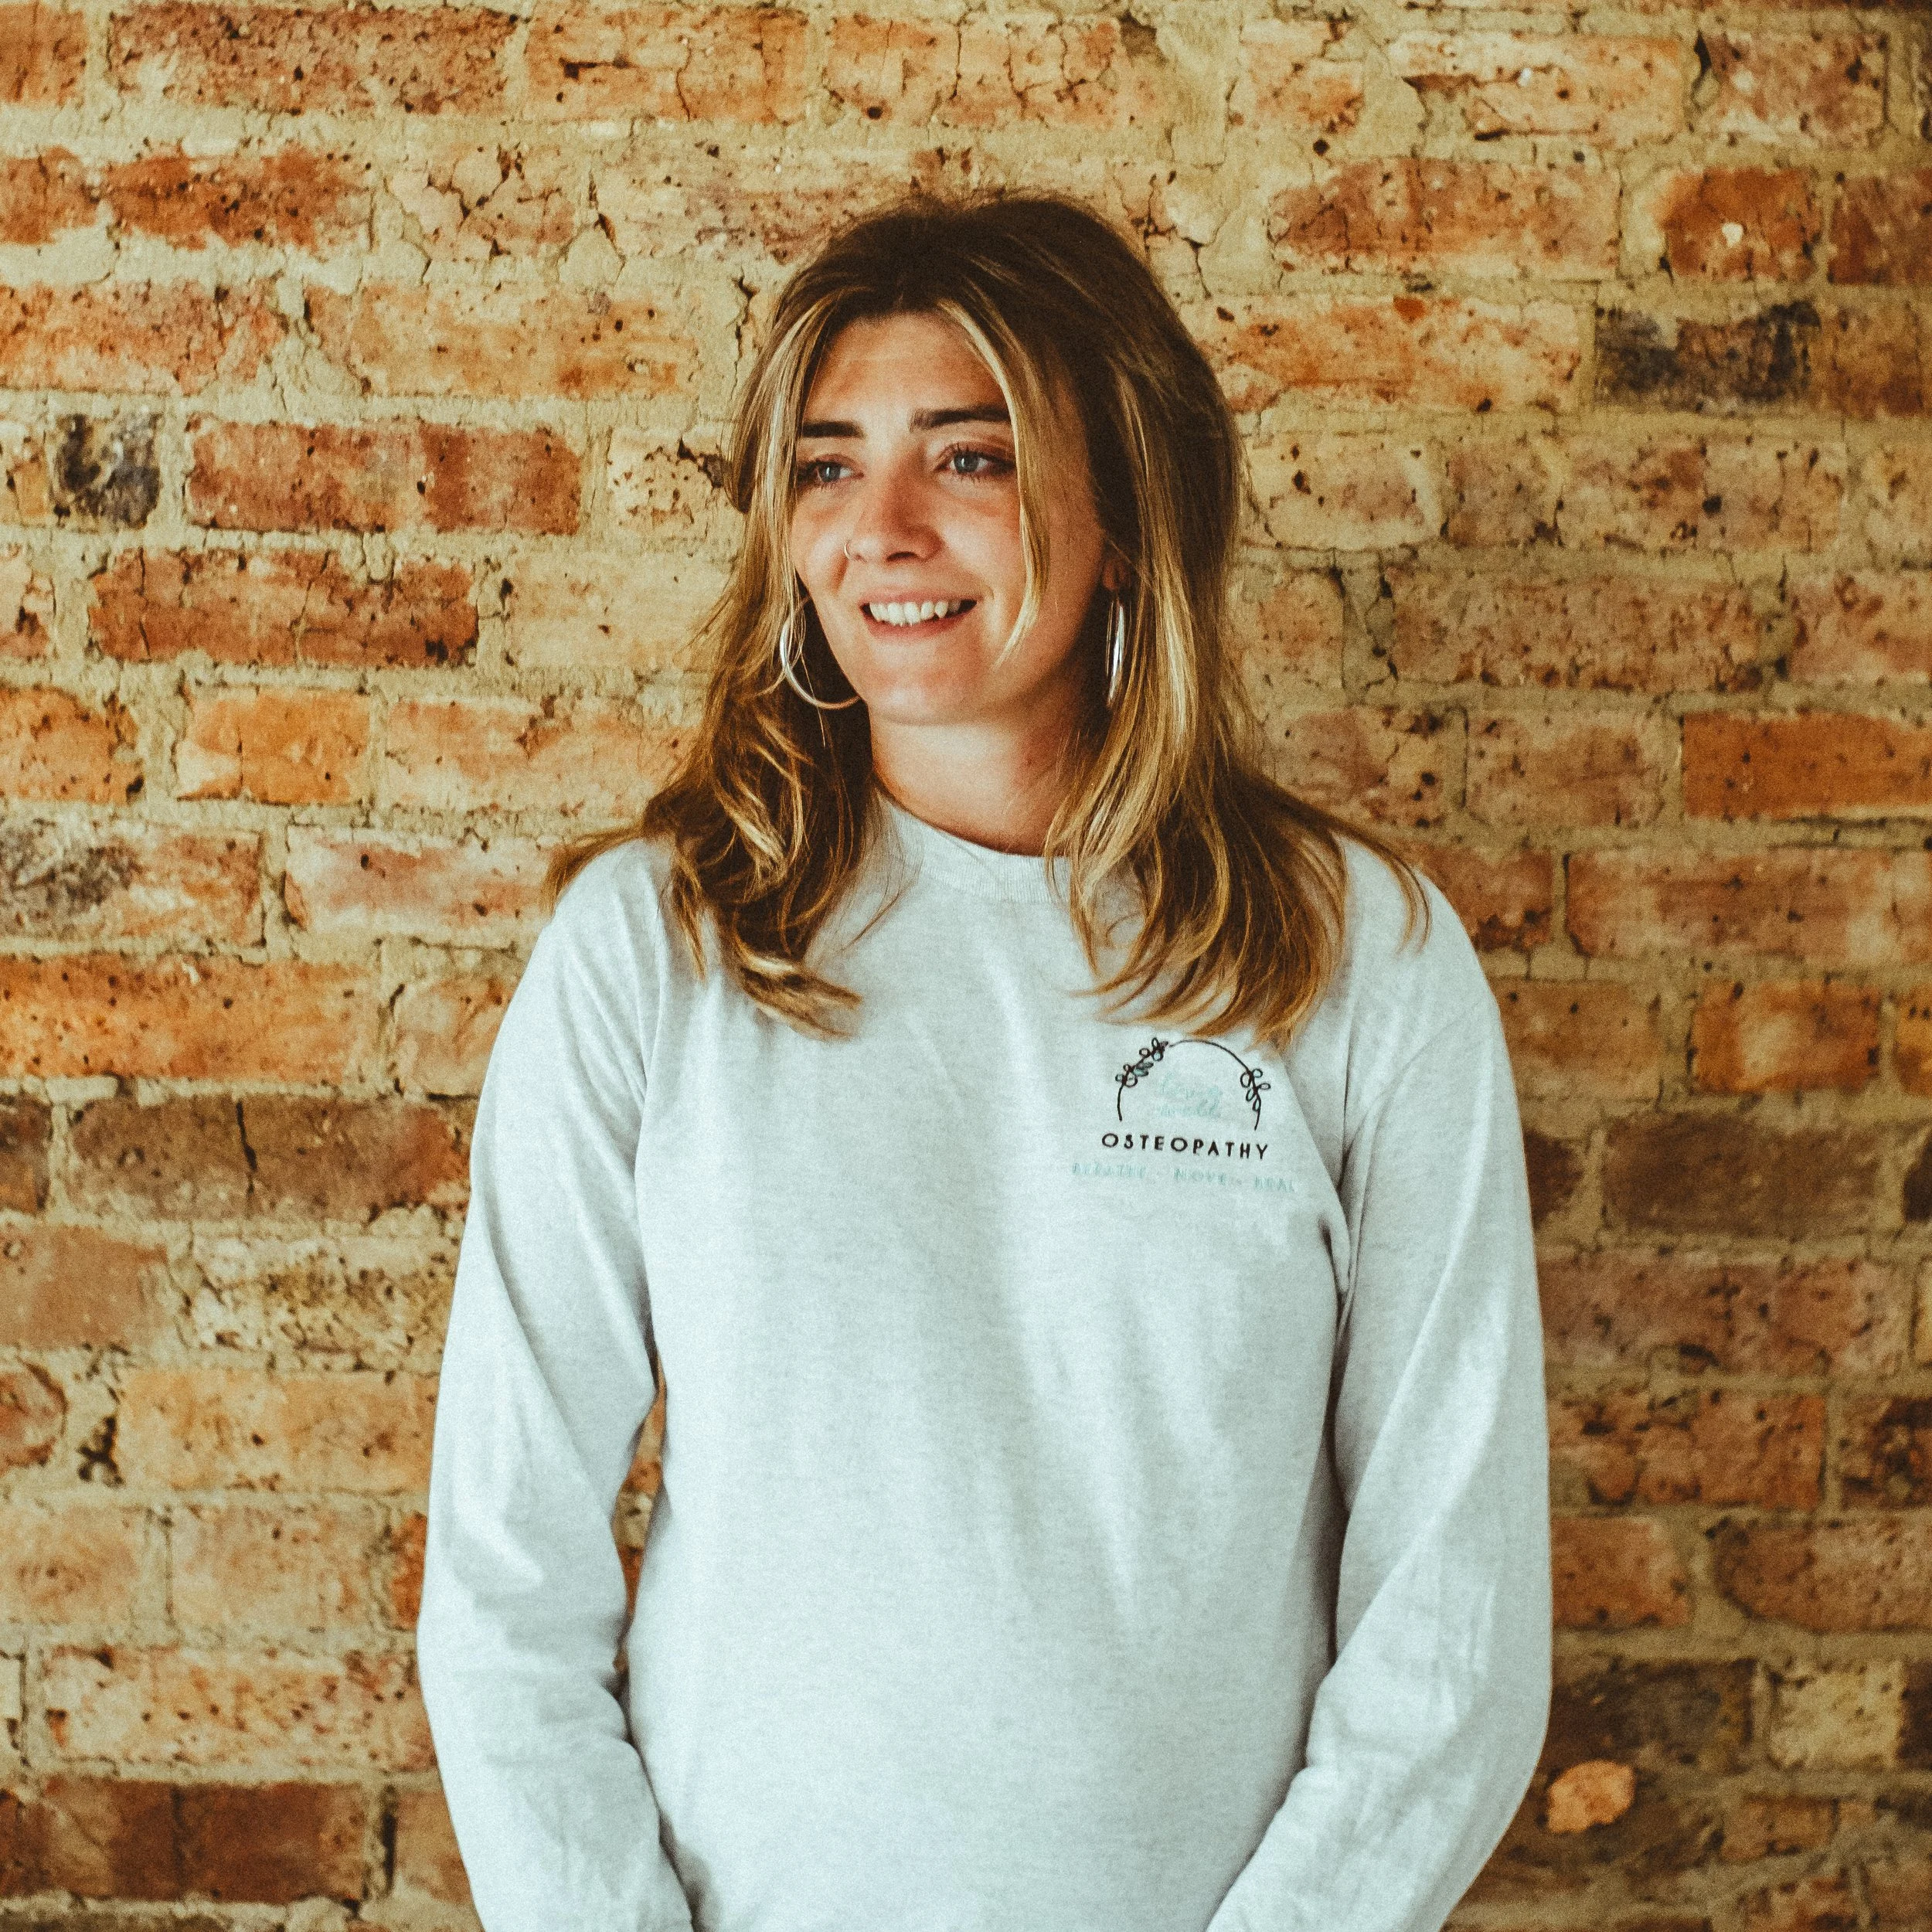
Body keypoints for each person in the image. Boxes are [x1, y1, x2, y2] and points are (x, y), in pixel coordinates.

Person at [417, 190, 1551, 1932]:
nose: (879, 528)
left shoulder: (1357, 959)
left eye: (965, 460)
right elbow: (505, 1575)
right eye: (823, 467)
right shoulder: (653, 948)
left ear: (1120, 517)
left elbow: (1450, 1617)